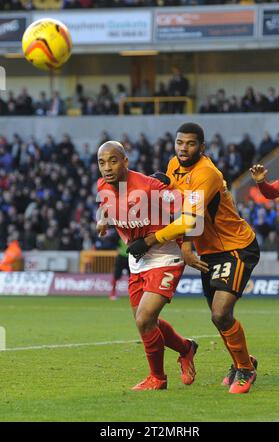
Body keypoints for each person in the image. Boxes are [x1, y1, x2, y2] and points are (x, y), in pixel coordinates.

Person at [128, 123, 260, 394]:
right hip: (208, 252)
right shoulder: (173, 164)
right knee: (219, 318)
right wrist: (159, 183)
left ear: (202, 146)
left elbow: (191, 218)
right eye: (179, 143)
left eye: (190, 144)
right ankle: (242, 361)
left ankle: (245, 369)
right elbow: (174, 202)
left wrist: (160, 242)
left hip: (234, 246)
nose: (183, 148)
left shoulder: (207, 173)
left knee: (221, 313)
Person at [96, 141, 200, 391]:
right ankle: (186, 348)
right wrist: (103, 220)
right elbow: (106, 204)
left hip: (165, 256)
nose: (107, 168)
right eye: (101, 162)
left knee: (144, 319)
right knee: (145, 321)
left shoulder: (149, 186)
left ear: (125, 161)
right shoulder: (103, 185)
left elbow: (192, 212)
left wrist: (185, 247)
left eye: (113, 160)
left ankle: (158, 378)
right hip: (138, 261)